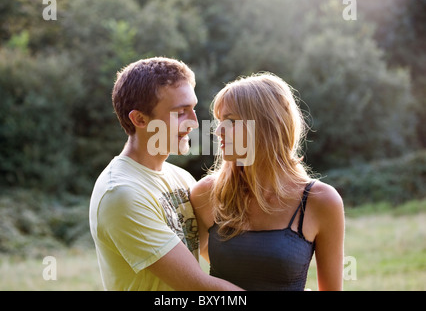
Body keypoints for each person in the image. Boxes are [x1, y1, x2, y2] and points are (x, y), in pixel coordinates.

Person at [89, 57, 242, 291]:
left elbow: (214, 255)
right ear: (140, 119)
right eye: (180, 112)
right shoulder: (121, 194)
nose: (193, 123)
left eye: (192, 108)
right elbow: (198, 286)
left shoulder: (180, 177)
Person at [190, 72, 345, 291]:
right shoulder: (206, 193)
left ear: (268, 126)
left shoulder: (321, 201)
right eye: (219, 121)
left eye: (231, 121)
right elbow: (187, 270)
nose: (218, 131)